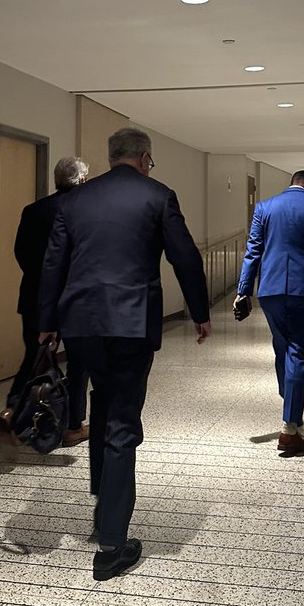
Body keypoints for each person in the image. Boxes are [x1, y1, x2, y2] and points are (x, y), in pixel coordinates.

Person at [38, 127, 211, 580]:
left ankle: (104, 503)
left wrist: (46, 324)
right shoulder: (158, 196)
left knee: (102, 403)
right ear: (145, 158)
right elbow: (185, 257)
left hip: (80, 324)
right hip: (131, 325)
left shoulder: (74, 200)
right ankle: (113, 545)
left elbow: (54, 263)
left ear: (112, 156)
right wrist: (199, 312)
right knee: (121, 424)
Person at [234, 170, 304, 455]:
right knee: (298, 351)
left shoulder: (264, 207)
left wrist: (243, 289)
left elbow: (253, 250)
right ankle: (290, 428)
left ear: (291, 183)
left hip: (270, 290)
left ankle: (290, 403)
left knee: (282, 348)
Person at [0, 156, 90, 444]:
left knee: (34, 356)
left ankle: (12, 410)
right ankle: (72, 427)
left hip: (36, 297)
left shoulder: (33, 211)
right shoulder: (87, 213)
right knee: (79, 362)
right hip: (75, 300)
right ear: (83, 181)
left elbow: (21, 254)